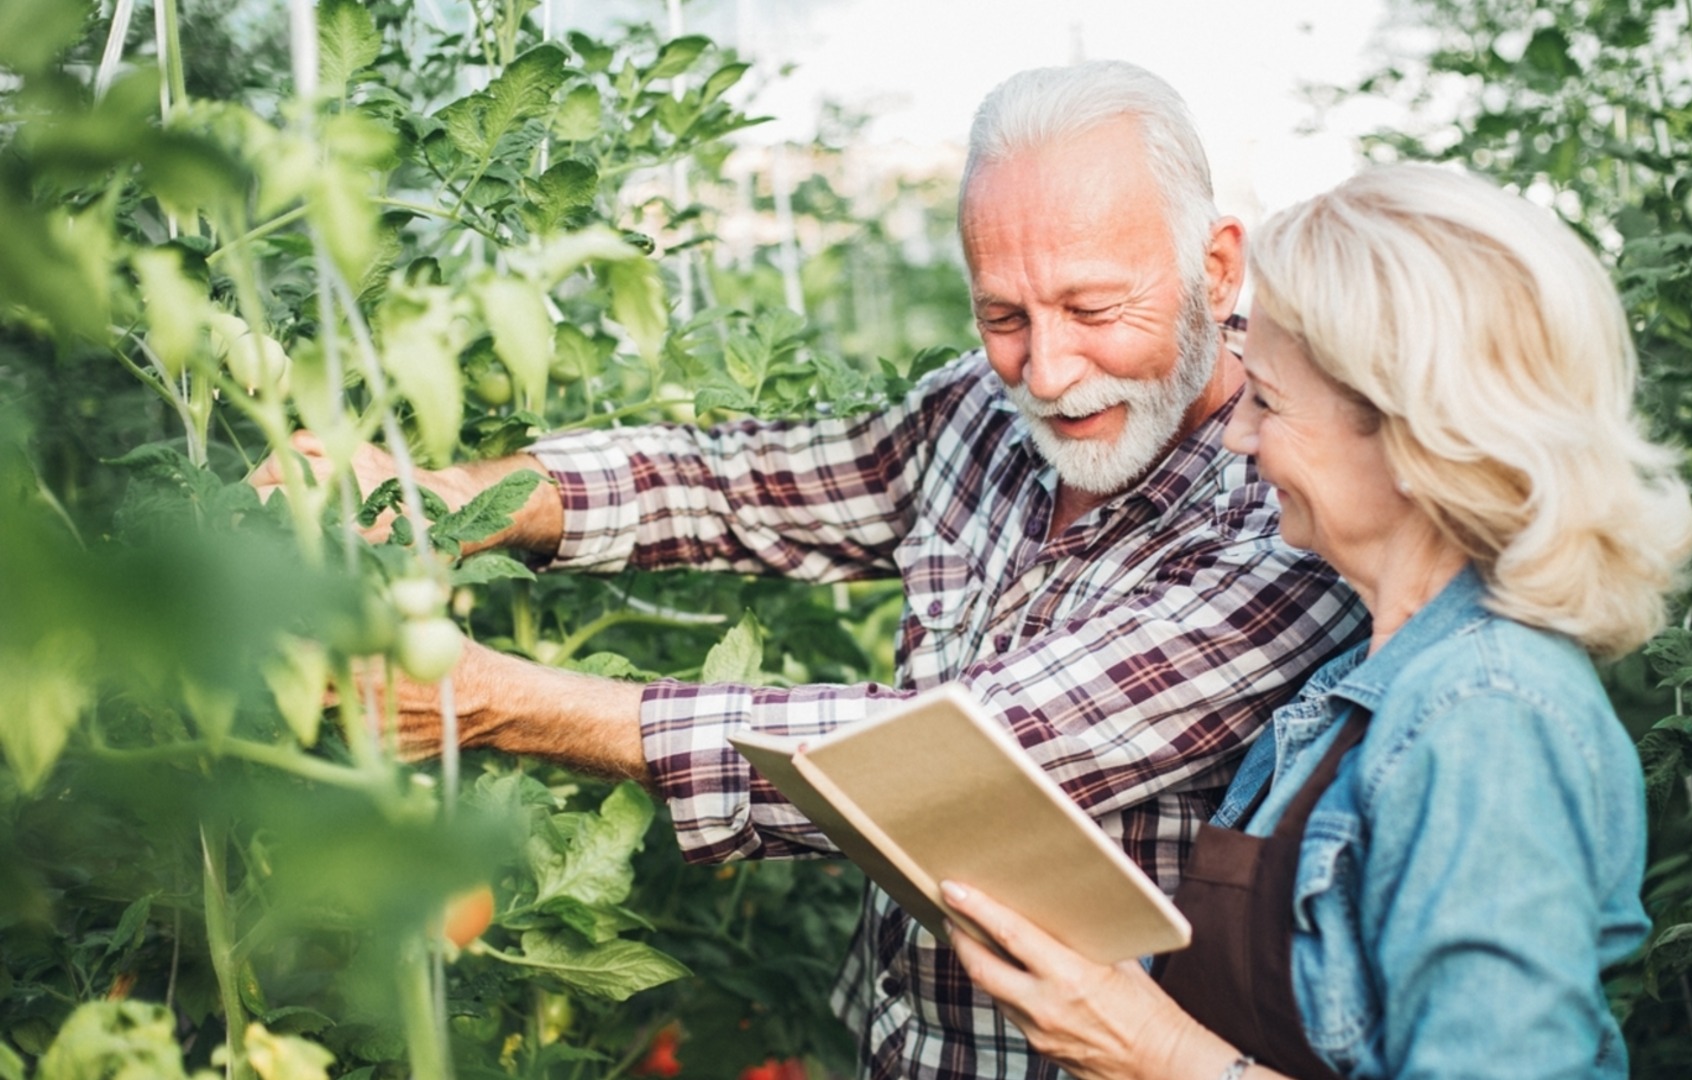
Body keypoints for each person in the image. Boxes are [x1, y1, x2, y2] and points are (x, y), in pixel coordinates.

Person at [254, 62, 1365, 1079]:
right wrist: (454, 498)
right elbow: (742, 483)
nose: (1050, 367)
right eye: (1003, 316)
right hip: (903, 1046)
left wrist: (504, 706)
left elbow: (957, 766)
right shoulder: (979, 411)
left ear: (1218, 264)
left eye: (1093, 308)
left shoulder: (1298, 508)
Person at [940, 163, 1692, 1079]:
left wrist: (1155, 1054)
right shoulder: (1369, 680)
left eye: (1267, 399)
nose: (1237, 435)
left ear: (1415, 434)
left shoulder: (1487, 720)